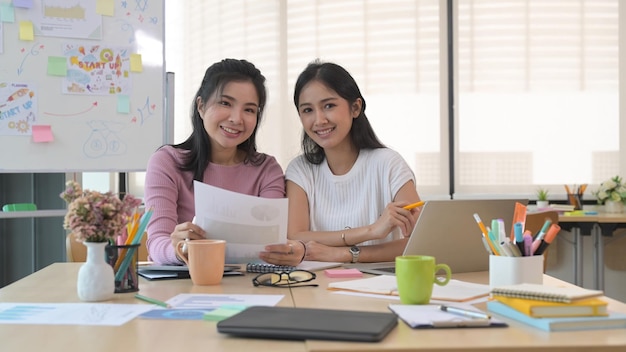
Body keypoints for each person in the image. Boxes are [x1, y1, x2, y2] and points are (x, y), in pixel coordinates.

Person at [144, 58, 303, 266]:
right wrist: (179, 249)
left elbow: (270, 243)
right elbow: (157, 243)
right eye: (225, 103)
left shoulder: (267, 169)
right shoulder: (167, 162)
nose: (236, 119)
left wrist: (291, 250)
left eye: (249, 109)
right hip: (181, 281)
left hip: (249, 284)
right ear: (201, 106)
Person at [275, 60, 421, 263]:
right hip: (316, 286)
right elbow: (296, 236)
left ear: (355, 107)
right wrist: (371, 231)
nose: (319, 120)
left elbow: (420, 243)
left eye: (329, 106)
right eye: (308, 110)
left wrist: (345, 254)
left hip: (379, 286)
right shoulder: (300, 170)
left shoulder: (389, 164)